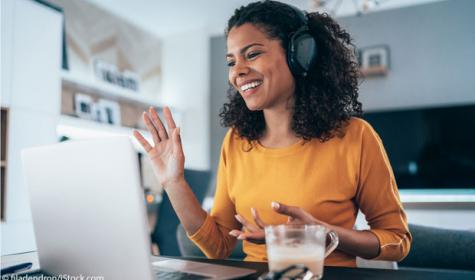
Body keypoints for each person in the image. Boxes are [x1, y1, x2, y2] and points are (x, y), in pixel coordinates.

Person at [134, 0, 411, 267]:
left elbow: (397, 241)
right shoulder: (237, 141)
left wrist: (325, 233)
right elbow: (218, 245)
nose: (238, 72)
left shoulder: (356, 137)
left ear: (300, 54)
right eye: (231, 62)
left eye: (252, 54)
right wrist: (174, 183)